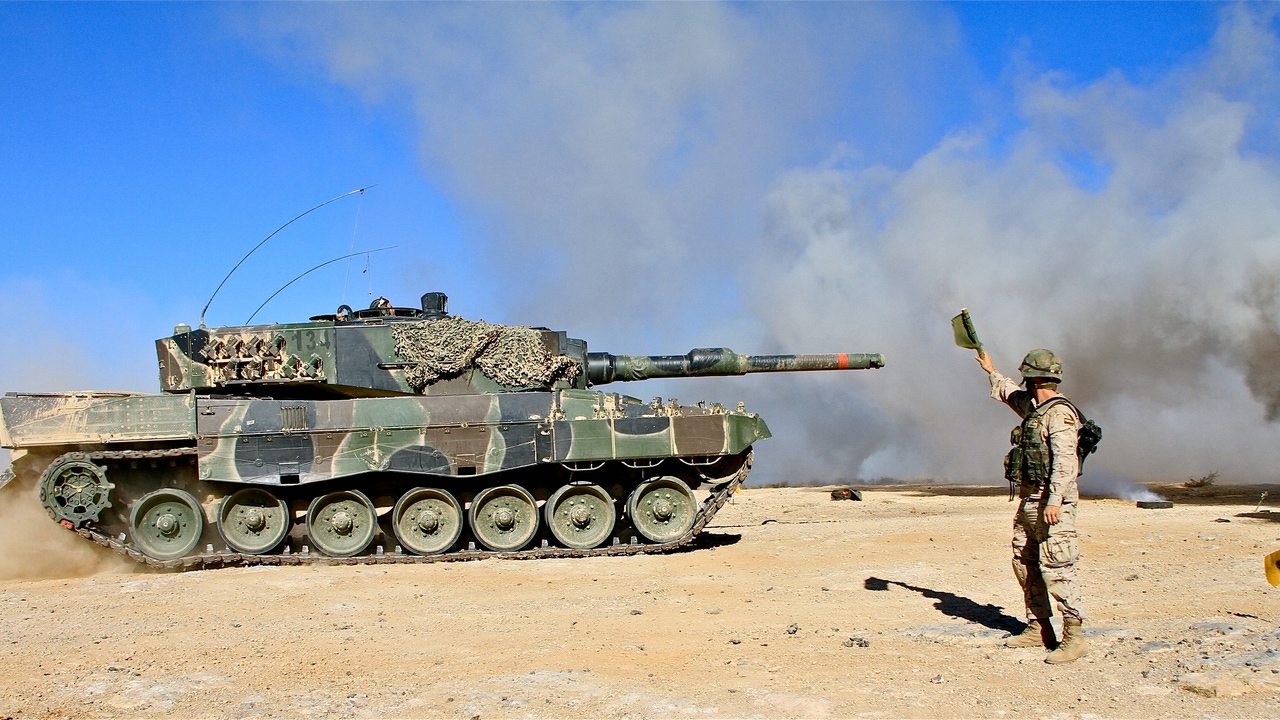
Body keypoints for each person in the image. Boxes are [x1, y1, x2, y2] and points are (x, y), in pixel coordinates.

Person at [976, 348, 1088, 664]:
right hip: (1030, 501)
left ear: (1034, 377)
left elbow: (1066, 462)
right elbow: (1011, 394)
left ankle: (1074, 636)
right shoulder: (1036, 409)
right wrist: (990, 370)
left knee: (1059, 567)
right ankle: (1039, 626)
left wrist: (1053, 500)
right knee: (1023, 562)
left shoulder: (1060, 414)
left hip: (1053, 505)